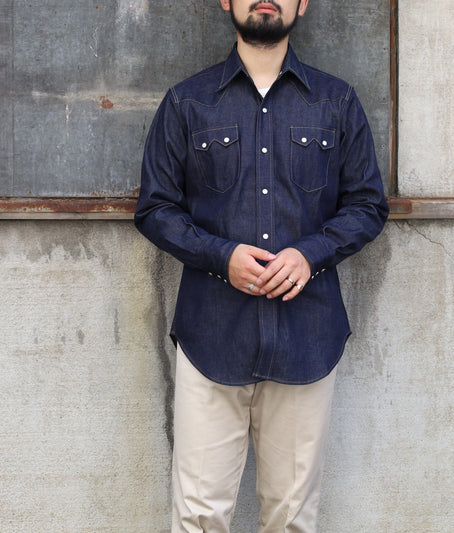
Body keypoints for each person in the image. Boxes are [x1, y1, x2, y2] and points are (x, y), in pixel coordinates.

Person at [134, 0, 389, 531]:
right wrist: (220, 257)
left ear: (304, 3)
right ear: (225, 0)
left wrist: (310, 254)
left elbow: (367, 205)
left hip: (307, 339)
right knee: (199, 516)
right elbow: (156, 208)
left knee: (291, 518)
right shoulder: (186, 102)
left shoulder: (337, 101)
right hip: (211, 338)